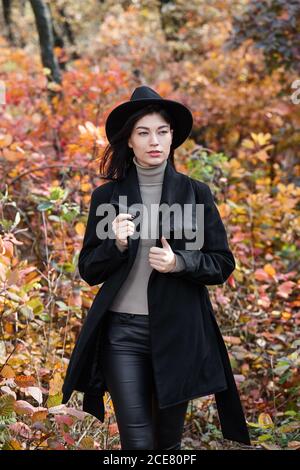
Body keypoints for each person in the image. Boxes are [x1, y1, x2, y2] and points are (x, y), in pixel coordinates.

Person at [61, 86, 251, 450]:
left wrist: (179, 262)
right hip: (122, 335)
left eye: (162, 132)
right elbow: (88, 269)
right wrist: (115, 244)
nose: (155, 141)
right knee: (137, 442)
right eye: (143, 132)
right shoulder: (107, 198)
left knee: (166, 445)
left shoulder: (196, 194)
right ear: (129, 141)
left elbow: (222, 262)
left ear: (172, 138)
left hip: (178, 332)